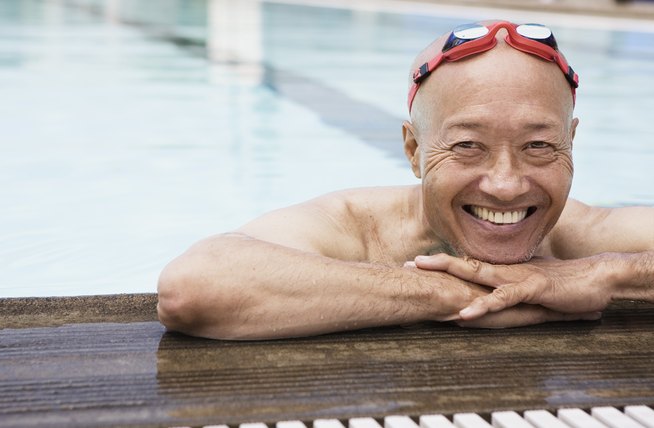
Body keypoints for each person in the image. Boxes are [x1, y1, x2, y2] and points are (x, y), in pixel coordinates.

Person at [156, 21, 654, 340]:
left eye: (539, 147)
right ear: (414, 151)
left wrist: (603, 274)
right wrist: (448, 294)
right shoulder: (354, 227)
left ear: (571, 144)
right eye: (467, 145)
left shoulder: (580, 239)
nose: (506, 184)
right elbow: (192, 288)